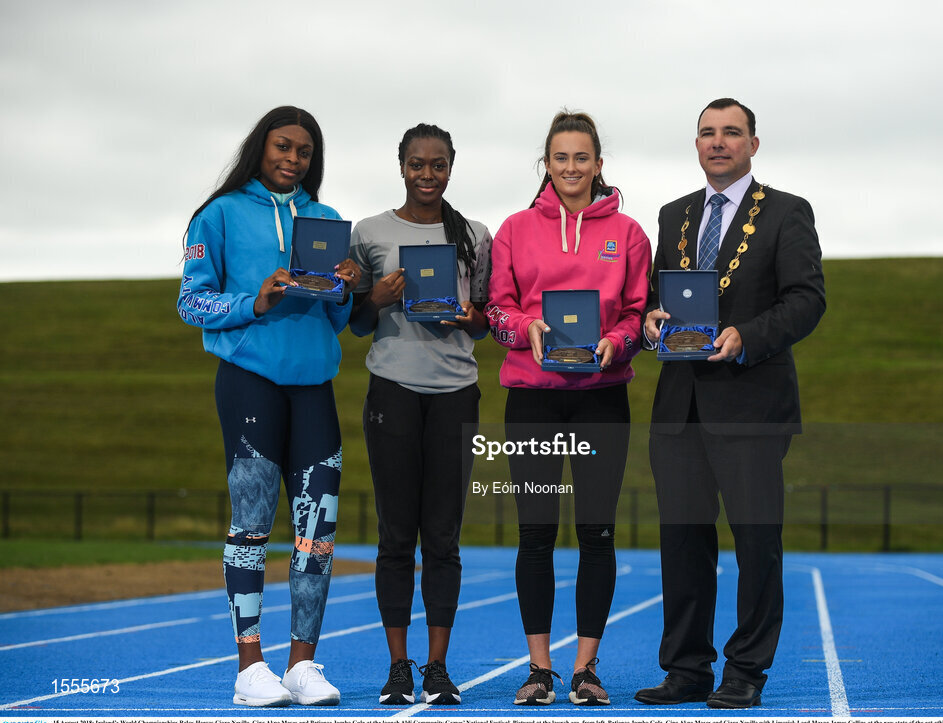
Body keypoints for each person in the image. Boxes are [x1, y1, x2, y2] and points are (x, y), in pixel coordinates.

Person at [634, 98, 826, 709]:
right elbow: (657, 300)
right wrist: (649, 322)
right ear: (696, 144)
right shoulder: (674, 215)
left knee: (755, 544)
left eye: (732, 133)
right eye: (707, 133)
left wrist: (747, 338)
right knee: (683, 542)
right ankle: (687, 669)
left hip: (752, 403)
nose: (718, 143)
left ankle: (746, 670)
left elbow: (806, 299)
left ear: (753, 144)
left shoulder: (787, 213)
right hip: (680, 404)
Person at [177, 105, 361, 708]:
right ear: (261, 148)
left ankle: (303, 664)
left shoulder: (328, 219)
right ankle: (250, 665)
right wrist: (251, 303)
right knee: (252, 523)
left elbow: (337, 318)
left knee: (317, 531)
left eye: (303, 152)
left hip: (313, 385)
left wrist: (346, 287)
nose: (292, 159)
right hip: (249, 380)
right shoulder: (218, 215)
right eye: (282, 146)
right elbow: (191, 303)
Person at [486, 110, 651, 706]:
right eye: (561, 158)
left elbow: (637, 314)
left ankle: (585, 668)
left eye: (583, 158)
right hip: (531, 400)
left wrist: (618, 342)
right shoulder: (513, 229)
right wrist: (527, 328)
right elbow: (496, 312)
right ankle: (538, 670)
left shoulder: (628, 233)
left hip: (601, 399)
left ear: (599, 164)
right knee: (534, 536)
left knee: (597, 534)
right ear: (546, 164)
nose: (572, 168)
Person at [347, 123, 492, 706]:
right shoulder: (369, 233)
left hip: (456, 394)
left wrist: (467, 317)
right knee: (394, 536)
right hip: (394, 393)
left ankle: (437, 667)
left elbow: (485, 322)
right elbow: (355, 320)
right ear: (401, 166)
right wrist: (375, 299)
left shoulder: (476, 235)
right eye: (417, 164)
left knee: (443, 537)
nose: (427, 175)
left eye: (438, 165)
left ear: (451, 168)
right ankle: (398, 667)